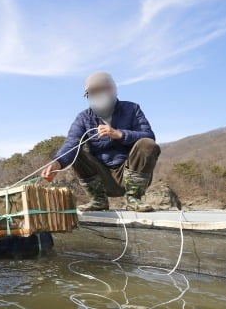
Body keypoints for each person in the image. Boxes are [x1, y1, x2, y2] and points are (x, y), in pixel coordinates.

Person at [41, 71, 160, 212]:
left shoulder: (132, 109)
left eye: (101, 90)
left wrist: (119, 134)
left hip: (129, 174)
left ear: (111, 89)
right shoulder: (84, 118)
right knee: (76, 152)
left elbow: (148, 135)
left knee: (147, 144)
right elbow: (71, 143)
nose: (96, 95)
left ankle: (133, 198)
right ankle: (98, 200)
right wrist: (58, 162)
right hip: (102, 178)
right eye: (91, 92)